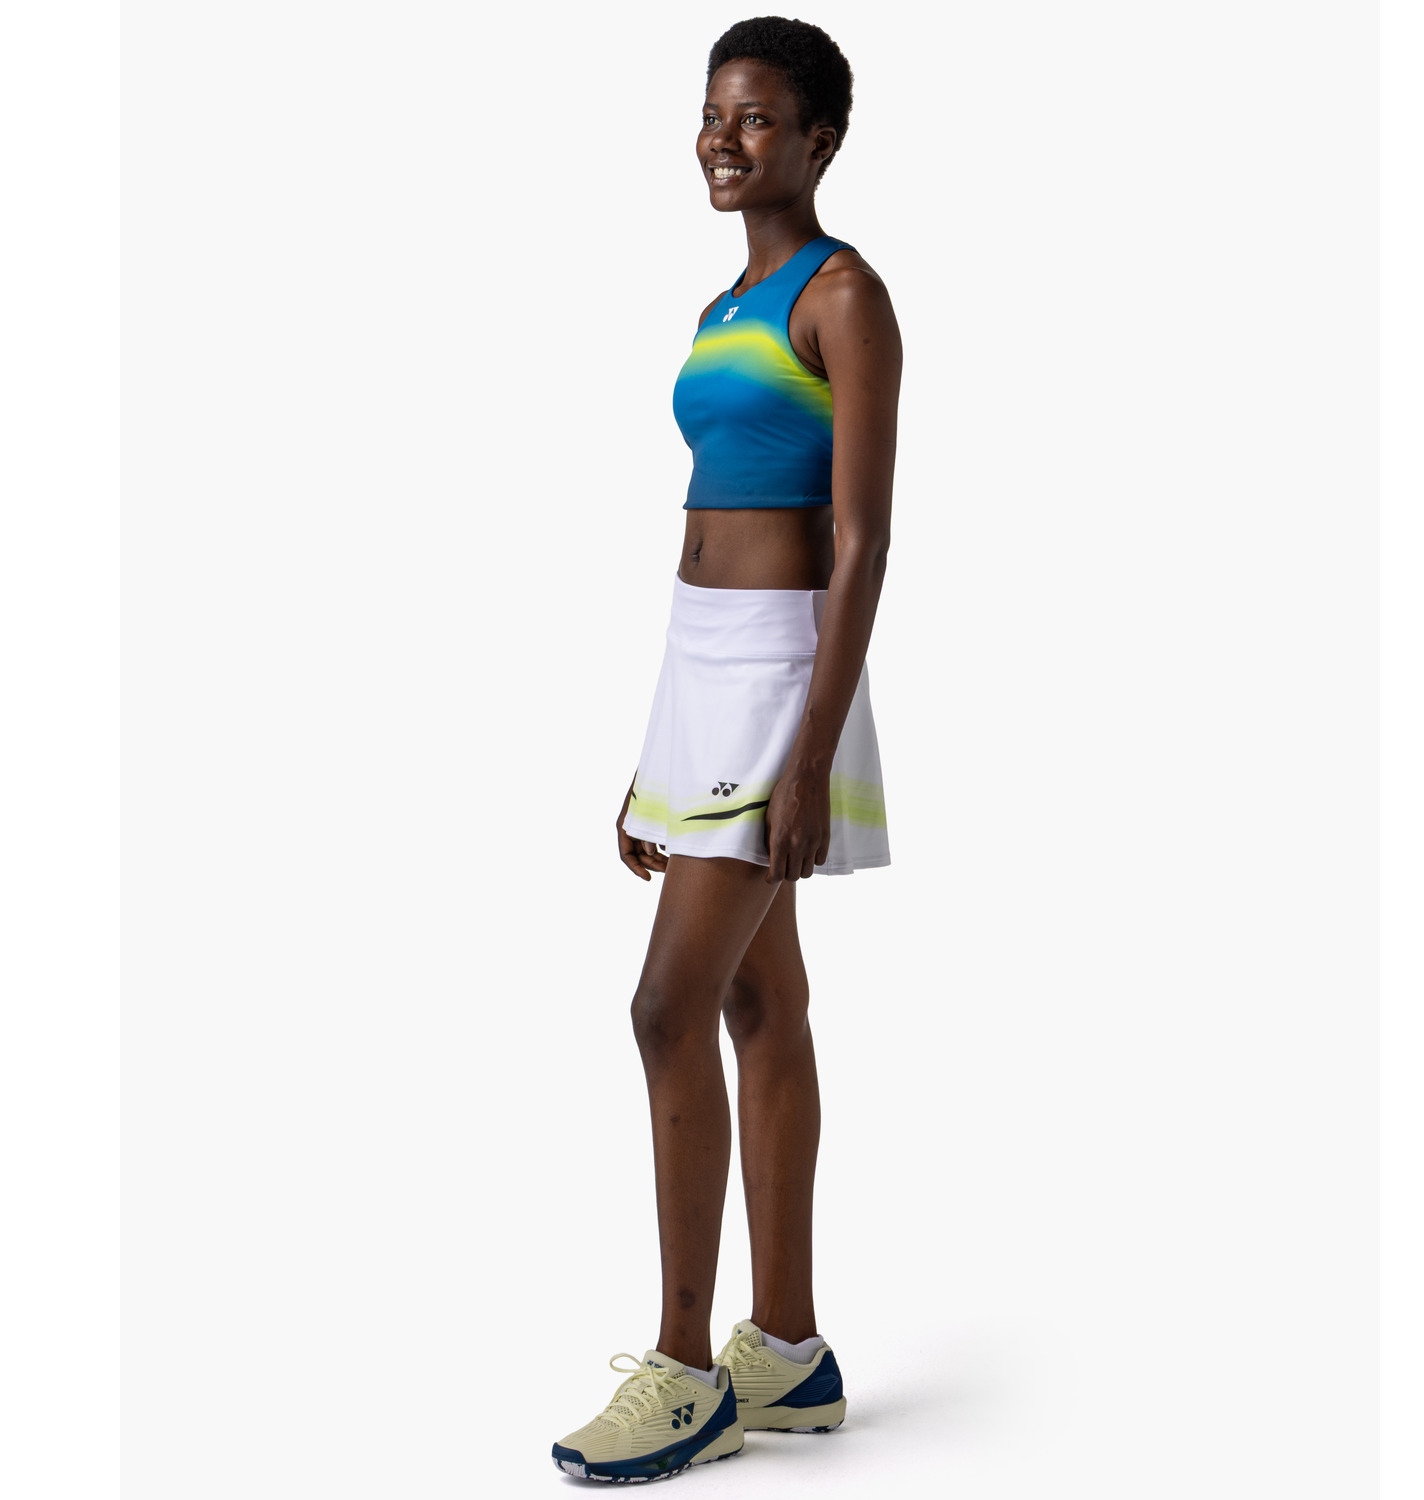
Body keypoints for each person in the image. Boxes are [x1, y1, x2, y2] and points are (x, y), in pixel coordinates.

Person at [551, 17, 902, 1483]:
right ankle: (791, 1351)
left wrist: (811, 755)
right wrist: (652, 753)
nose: (723, 138)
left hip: (779, 679)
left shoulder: (844, 295)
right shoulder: (722, 307)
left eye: (756, 119)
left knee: (663, 1008)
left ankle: (688, 1372)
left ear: (819, 140)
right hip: (701, 670)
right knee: (762, 1002)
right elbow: (701, 531)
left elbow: (860, 538)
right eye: (713, 114)